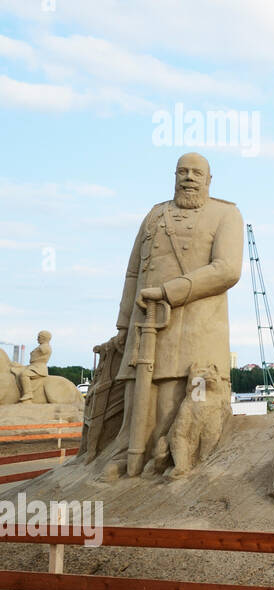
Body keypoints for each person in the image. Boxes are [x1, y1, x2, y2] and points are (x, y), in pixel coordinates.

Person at [94, 152, 243, 479]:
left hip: (195, 321)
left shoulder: (226, 214)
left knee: (178, 393)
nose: (188, 177)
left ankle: (170, 456)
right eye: (182, 171)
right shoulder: (154, 214)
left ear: (209, 180)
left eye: (196, 173)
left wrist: (170, 291)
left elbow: (227, 269)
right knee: (138, 392)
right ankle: (128, 453)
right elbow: (133, 272)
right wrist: (123, 324)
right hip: (143, 321)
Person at [17, 331, 51, 403]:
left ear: (44, 338)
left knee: (24, 374)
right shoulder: (41, 346)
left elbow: (46, 350)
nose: (37, 339)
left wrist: (43, 345)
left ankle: (28, 393)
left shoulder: (45, 346)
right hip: (32, 366)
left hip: (38, 368)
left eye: (39, 337)